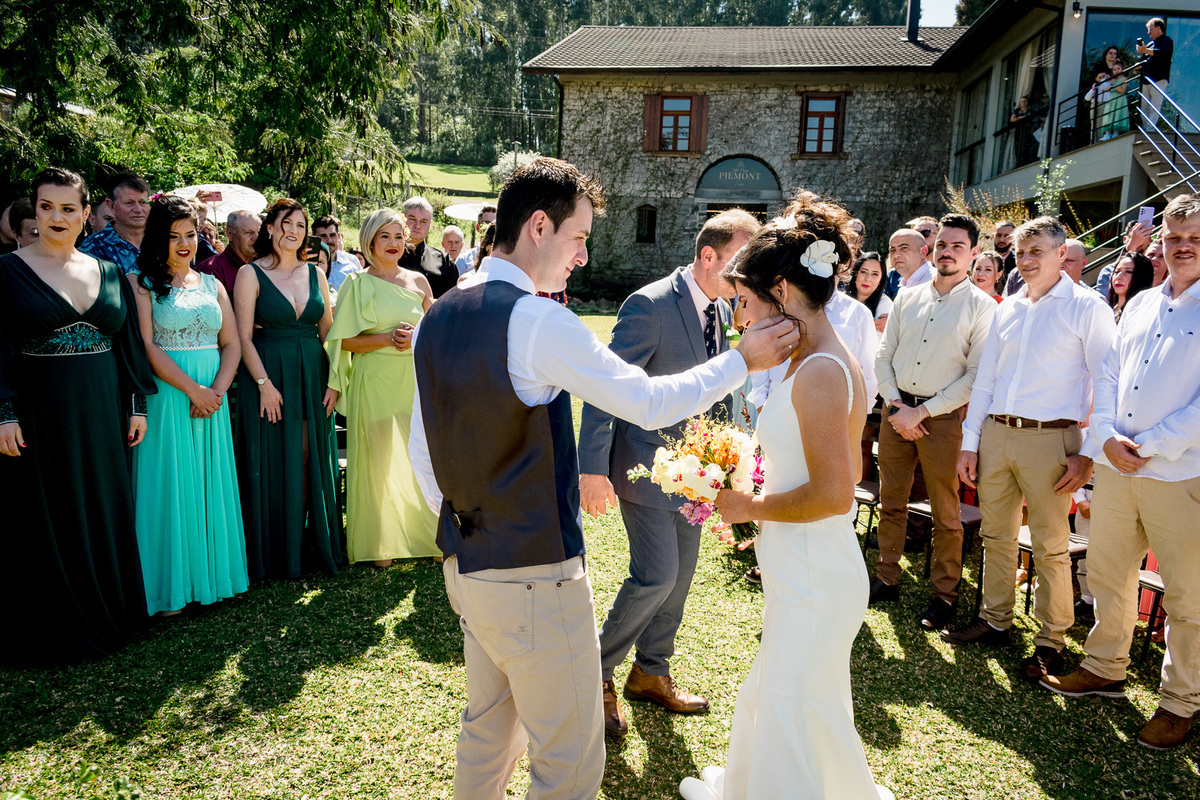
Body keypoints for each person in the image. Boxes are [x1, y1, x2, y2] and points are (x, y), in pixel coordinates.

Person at [408, 157, 799, 800]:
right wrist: (739, 360)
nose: (584, 256)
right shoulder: (537, 320)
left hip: (466, 564)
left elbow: (422, 448)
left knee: (487, 734)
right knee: (568, 763)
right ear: (539, 226)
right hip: (537, 572)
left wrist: (466, 524)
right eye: (579, 236)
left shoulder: (438, 314)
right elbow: (644, 401)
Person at [679, 197, 893, 800]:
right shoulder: (818, 358)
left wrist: (749, 508)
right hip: (805, 567)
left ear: (782, 290)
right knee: (791, 698)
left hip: (813, 572)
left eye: (744, 298)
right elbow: (840, 464)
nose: (738, 312)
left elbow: (833, 493)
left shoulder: (822, 371)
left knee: (791, 702)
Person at [578, 209, 760, 739]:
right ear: (709, 256)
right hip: (643, 466)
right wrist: (593, 469)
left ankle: (650, 672)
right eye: (739, 264)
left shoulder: (728, 309)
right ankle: (596, 674)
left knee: (678, 582)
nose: (746, 278)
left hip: (698, 475)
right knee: (655, 575)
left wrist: (726, 466)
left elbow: (719, 390)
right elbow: (605, 389)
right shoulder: (650, 305)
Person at [1038, 193, 1200, 750]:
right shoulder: (1140, 304)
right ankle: (1106, 666)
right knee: (1108, 573)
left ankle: (1180, 701)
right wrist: (1104, 435)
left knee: (1187, 595)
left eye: (1195, 238)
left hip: (1179, 474)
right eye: (1174, 237)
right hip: (1116, 467)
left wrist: (1151, 445)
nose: (1183, 247)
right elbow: (1108, 374)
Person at [946, 216, 1116, 682]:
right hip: (998, 434)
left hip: (1053, 440)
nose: (1026, 260)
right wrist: (971, 444)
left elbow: (1107, 382)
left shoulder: (1088, 307)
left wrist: (1090, 455)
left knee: (1049, 545)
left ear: (1063, 255)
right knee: (996, 534)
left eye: (1037, 250)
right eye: (1021, 252)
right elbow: (986, 380)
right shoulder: (1009, 308)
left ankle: (1051, 640)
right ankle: (995, 618)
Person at [0, 167, 157, 662]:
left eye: (69, 208)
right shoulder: (7, 270)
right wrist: (5, 413)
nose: (57, 217)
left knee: (102, 508)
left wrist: (136, 405)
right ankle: (55, 628)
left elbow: (128, 345)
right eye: (47, 207)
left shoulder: (107, 272)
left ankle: (110, 614)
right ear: (35, 210)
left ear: (88, 213)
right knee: (49, 510)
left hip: (103, 412)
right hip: (41, 413)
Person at [871, 213, 997, 631]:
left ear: (974, 253)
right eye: (942, 244)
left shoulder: (982, 307)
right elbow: (883, 355)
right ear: (933, 248)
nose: (947, 252)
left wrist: (921, 412)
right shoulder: (908, 297)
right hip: (895, 411)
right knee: (891, 502)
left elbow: (976, 376)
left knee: (945, 513)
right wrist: (895, 405)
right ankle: (886, 577)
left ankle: (944, 595)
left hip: (940, 420)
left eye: (958, 246)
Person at [128, 196, 247, 616]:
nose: (183, 244)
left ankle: (212, 579)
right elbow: (146, 346)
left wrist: (215, 391)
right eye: (174, 235)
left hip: (212, 400)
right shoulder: (140, 282)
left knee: (207, 482)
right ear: (157, 238)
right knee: (170, 484)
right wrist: (193, 391)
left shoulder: (212, 283)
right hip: (170, 397)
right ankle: (168, 591)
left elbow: (231, 343)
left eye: (190, 234)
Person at [233, 199, 341, 580]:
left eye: (299, 224)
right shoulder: (250, 274)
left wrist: (335, 382)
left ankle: (310, 544)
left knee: (311, 456)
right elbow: (242, 338)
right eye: (285, 223)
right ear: (270, 228)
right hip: (269, 376)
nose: (292, 231)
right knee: (277, 460)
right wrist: (263, 384)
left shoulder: (317, 275)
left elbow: (329, 334)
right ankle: (277, 550)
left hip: (313, 375)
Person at [326, 209, 438, 566]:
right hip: (373, 380)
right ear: (370, 241)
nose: (393, 244)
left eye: (398, 236)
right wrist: (388, 339)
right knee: (378, 460)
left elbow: (436, 332)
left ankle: (429, 536)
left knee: (421, 457)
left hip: (413, 380)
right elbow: (343, 342)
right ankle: (379, 543)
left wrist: (415, 338)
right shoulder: (356, 284)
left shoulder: (420, 282)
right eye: (384, 237)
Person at [79, 174, 150, 275]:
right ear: (111, 205)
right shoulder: (94, 246)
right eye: (129, 203)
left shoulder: (163, 241)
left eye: (143, 202)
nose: (138, 209)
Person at [400, 197, 457, 298]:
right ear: (402, 219)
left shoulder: (444, 262)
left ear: (430, 224)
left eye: (423, 221)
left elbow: (452, 301)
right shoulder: (387, 255)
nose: (417, 225)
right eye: (412, 219)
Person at [197, 209, 260, 295]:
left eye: (259, 232)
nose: (256, 238)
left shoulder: (266, 265)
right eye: (248, 232)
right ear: (230, 234)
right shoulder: (210, 270)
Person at [1137, 17, 1173, 127]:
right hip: (1146, 80)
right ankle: (1146, 128)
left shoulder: (1167, 41)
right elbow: (1142, 61)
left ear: (1158, 28)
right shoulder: (1149, 45)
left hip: (1159, 79)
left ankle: (1150, 129)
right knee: (1143, 106)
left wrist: (1145, 50)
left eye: (1150, 29)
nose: (1148, 32)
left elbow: (1163, 53)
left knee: (1155, 106)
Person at [312, 214, 362, 291]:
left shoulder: (352, 262)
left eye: (332, 235)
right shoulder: (306, 264)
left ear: (338, 236)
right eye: (323, 236)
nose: (329, 240)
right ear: (314, 238)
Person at [846, 249, 892, 332]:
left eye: (875, 274)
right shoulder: (840, 298)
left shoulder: (885, 304)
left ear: (880, 280)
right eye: (863, 272)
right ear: (856, 273)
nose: (868, 279)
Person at [1106, 252, 1154, 321]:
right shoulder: (1106, 310)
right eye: (1116, 271)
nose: (1118, 277)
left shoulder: (1147, 314)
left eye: (1128, 272)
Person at [886, 227, 931, 293]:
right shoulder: (903, 286)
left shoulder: (936, 283)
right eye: (892, 250)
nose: (896, 255)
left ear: (923, 252)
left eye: (904, 248)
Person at [456, 204, 498, 273]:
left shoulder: (504, 259)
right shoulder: (464, 261)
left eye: (495, 224)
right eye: (487, 223)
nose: (491, 227)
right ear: (478, 227)